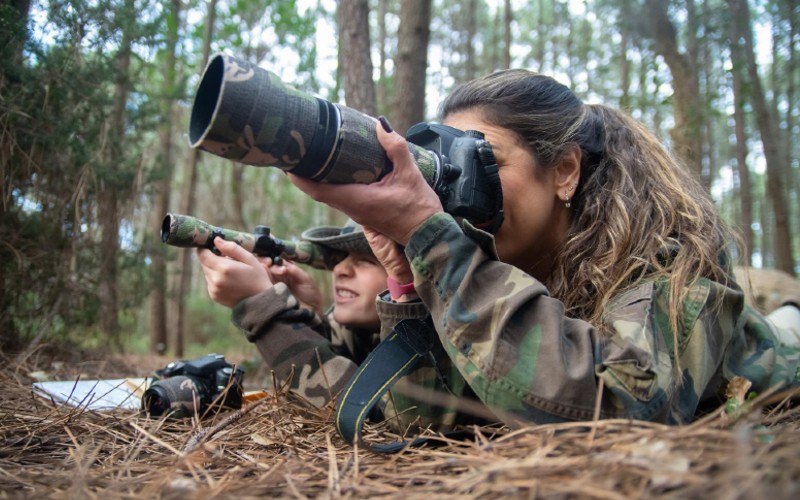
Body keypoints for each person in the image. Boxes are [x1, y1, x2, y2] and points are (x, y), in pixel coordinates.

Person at [287, 69, 800, 427]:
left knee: (789, 320)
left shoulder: (663, 266)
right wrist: (406, 281)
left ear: (564, 171)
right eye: (451, 171)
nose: (464, 192)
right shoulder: (494, 268)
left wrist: (439, 246)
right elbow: (429, 417)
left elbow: (624, 408)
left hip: (781, 359)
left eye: (485, 162)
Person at [197, 219, 426, 409]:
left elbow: (380, 413)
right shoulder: (364, 332)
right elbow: (348, 371)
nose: (339, 269)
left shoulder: (439, 337)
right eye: (341, 258)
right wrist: (308, 318)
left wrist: (261, 306)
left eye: (365, 261)